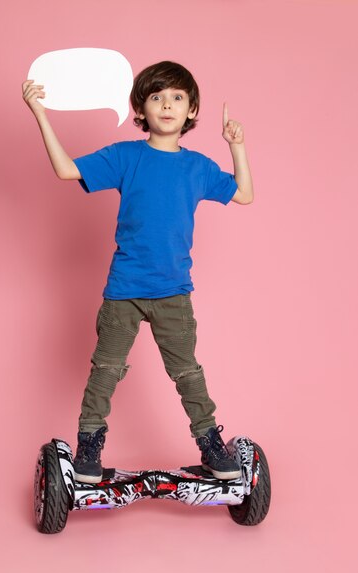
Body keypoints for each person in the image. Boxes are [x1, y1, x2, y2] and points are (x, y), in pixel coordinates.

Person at [22, 60, 254, 484]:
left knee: (188, 373)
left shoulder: (198, 167)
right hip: (123, 292)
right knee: (106, 370)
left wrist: (236, 145)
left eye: (178, 98)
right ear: (141, 109)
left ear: (191, 109)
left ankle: (209, 443)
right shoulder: (126, 156)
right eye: (157, 96)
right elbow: (66, 169)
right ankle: (89, 446)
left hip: (174, 295)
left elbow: (243, 193)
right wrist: (41, 114)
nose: (167, 105)